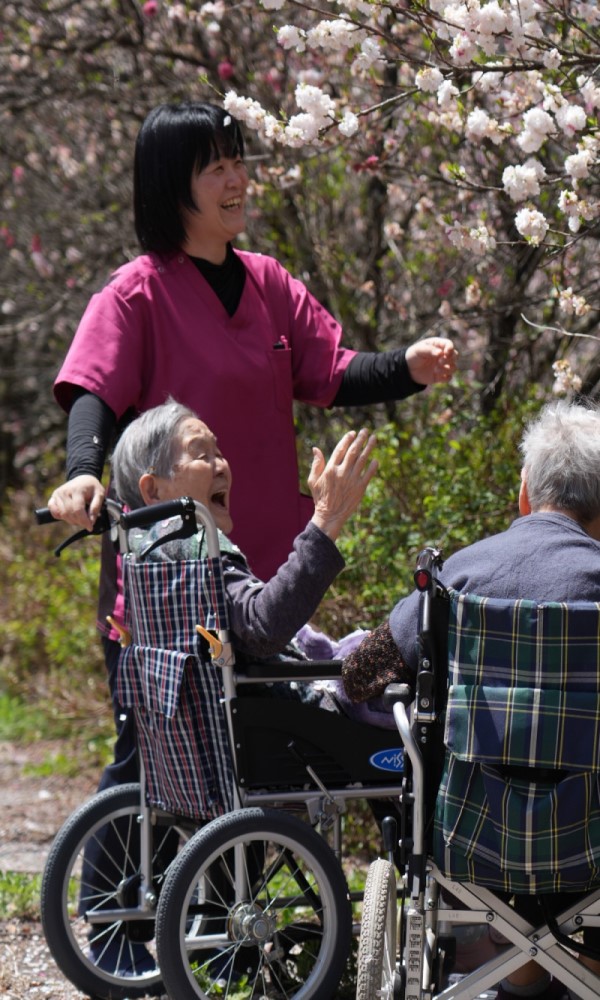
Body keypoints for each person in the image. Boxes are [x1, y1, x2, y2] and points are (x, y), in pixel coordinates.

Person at [46, 100, 456, 853]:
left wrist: (406, 367)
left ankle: (237, 938)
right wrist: (81, 474)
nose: (237, 181)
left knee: (267, 766)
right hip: (171, 581)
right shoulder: (137, 293)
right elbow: (93, 393)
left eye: (240, 163)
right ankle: (124, 929)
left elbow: (329, 371)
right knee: (154, 760)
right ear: (175, 187)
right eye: (216, 169)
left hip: (264, 581)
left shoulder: (267, 282)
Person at [342, 399, 600, 1000]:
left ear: (524, 494)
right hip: (590, 845)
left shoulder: (458, 576)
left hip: (471, 841)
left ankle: (523, 976)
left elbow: (360, 675)